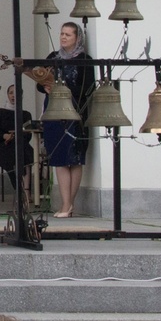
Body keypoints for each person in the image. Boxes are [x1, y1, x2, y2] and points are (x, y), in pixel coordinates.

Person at [19, 21, 93, 218]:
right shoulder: (53, 57)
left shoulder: (85, 59)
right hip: (53, 112)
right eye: (62, 34)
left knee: (75, 159)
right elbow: (39, 82)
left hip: (74, 113)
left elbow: (87, 89)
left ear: (77, 38)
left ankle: (68, 205)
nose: (63, 37)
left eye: (68, 34)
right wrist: (45, 87)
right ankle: (65, 204)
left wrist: (64, 87)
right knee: (59, 158)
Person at [0, 84, 33, 202]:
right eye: (11, 93)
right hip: (4, 145)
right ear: (7, 95)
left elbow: (29, 134)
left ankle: (26, 191)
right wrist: (6, 136)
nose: (13, 96)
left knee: (26, 153)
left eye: (17, 93)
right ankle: (20, 190)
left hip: (21, 144)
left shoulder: (26, 114)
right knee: (11, 157)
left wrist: (16, 136)